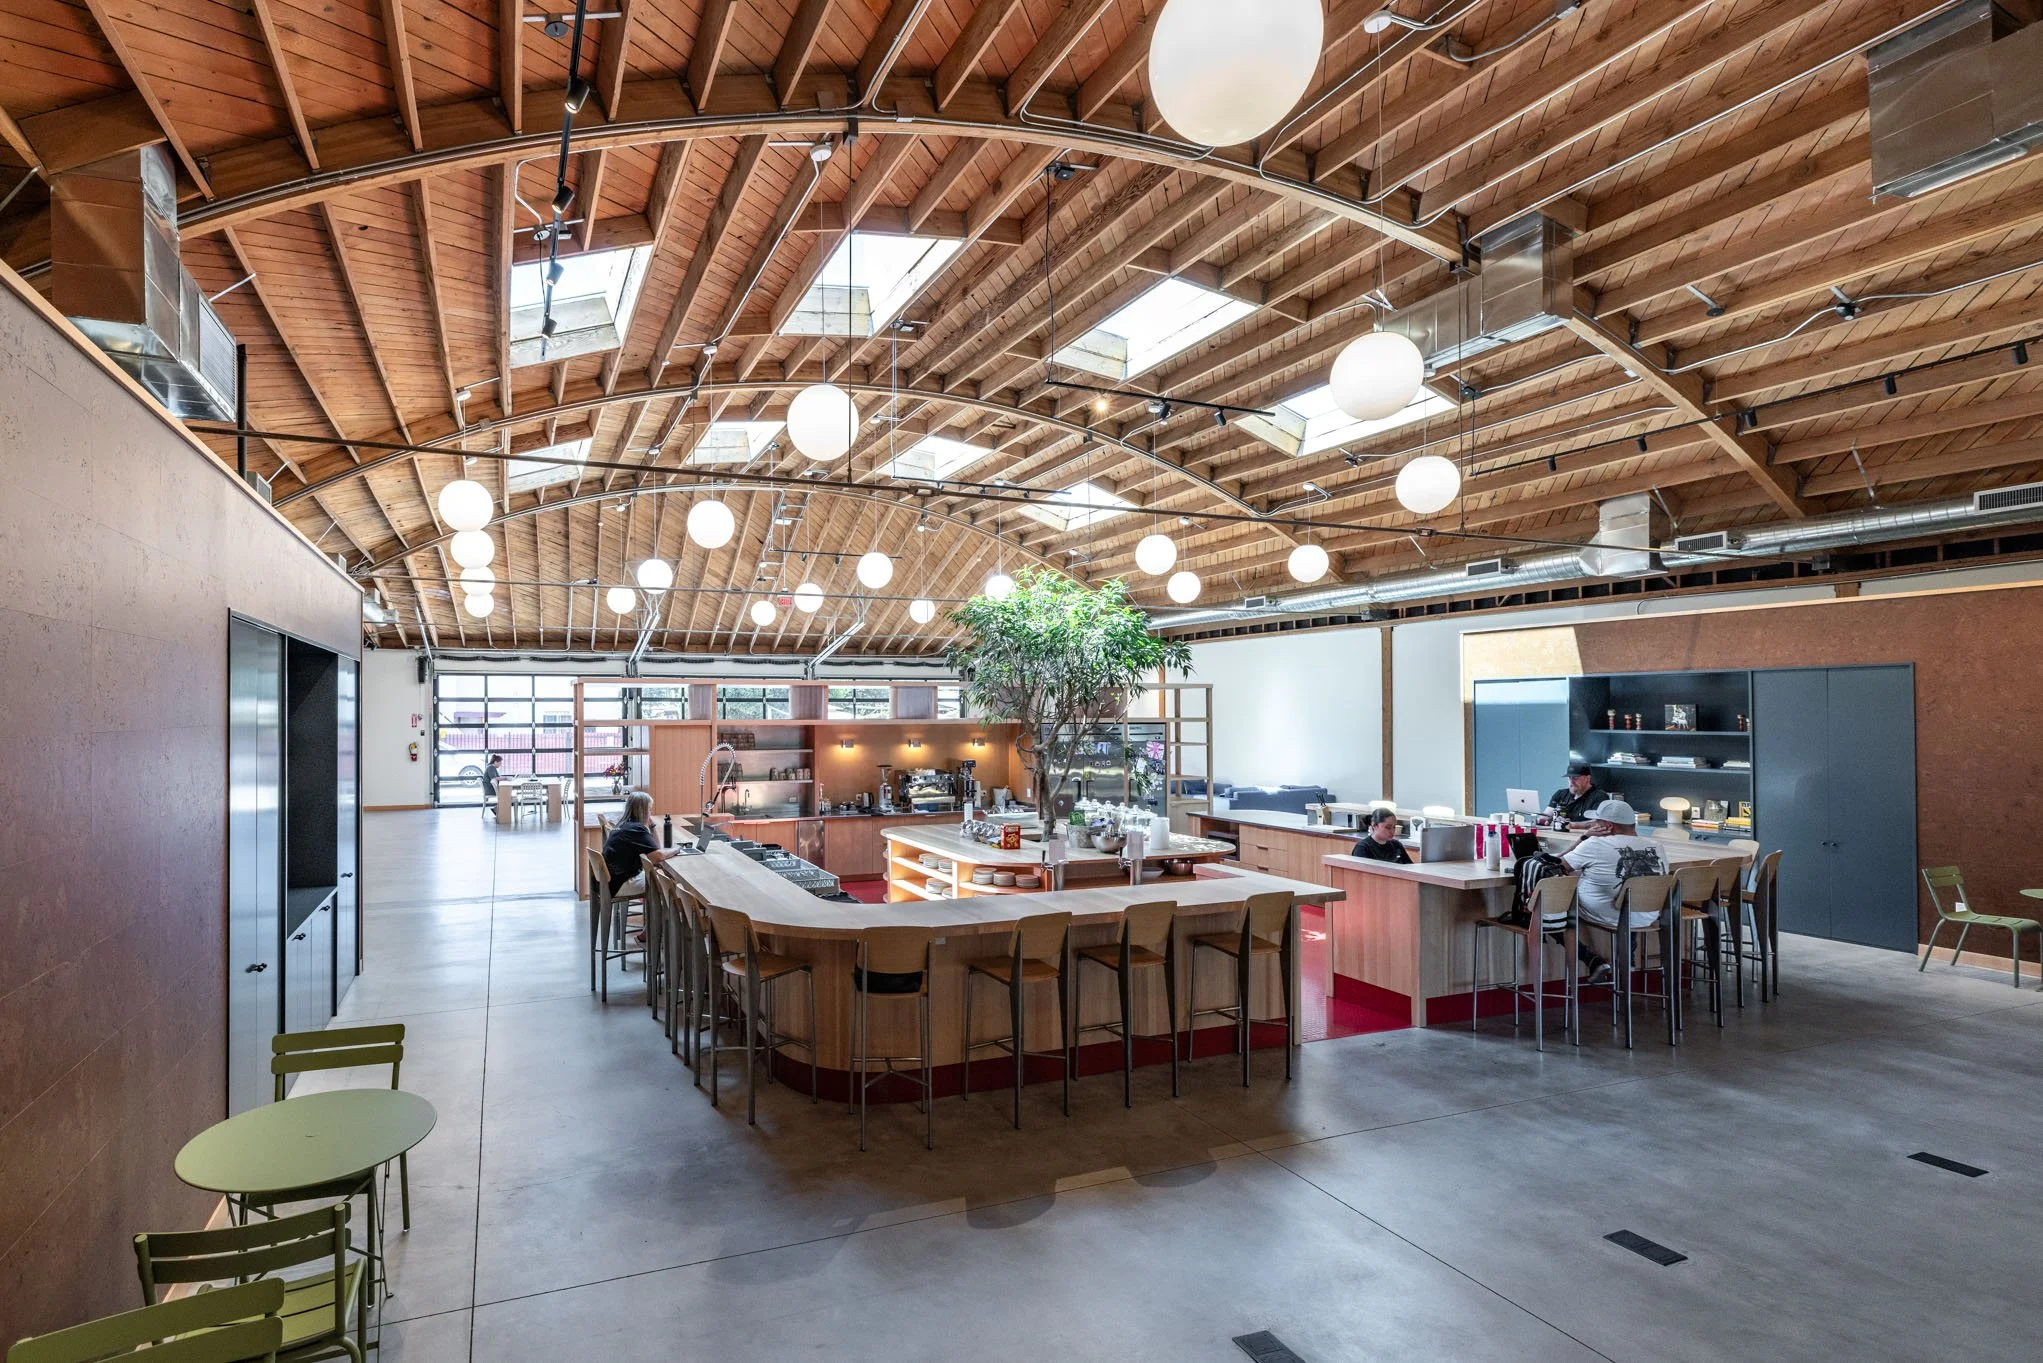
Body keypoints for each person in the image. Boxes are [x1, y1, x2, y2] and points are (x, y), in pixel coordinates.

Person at [1561, 799, 1667, 983]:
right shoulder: (1656, 847)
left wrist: (1583, 838)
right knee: (1628, 892)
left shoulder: (1594, 844)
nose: (1593, 825)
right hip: (1647, 915)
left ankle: (1591, 960)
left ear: (1608, 826)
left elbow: (1557, 865)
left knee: (1550, 909)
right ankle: (1627, 962)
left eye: (1596, 821)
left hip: (1607, 914)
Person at [602, 790, 671, 897]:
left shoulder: (623, 824)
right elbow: (658, 856)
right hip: (621, 884)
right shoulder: (636, 829)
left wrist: (652, 826)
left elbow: (656, 850)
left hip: (612, 881)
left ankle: (654, 908)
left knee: (659, 874)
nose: (650, 813)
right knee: (669, 884)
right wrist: (677, 850)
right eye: (649, 809)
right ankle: (656, 908)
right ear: (642, 810)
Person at [1544, 761, 1605, 826]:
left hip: (1585, 832)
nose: (1571, 781)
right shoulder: (1560, 794)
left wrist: (1573, 825)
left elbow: (1599, 822)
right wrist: (1542, 819)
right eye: (1569, 778)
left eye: (1575, 778)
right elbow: (1547, 815)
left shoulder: (1599, 796)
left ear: (1587, 778)